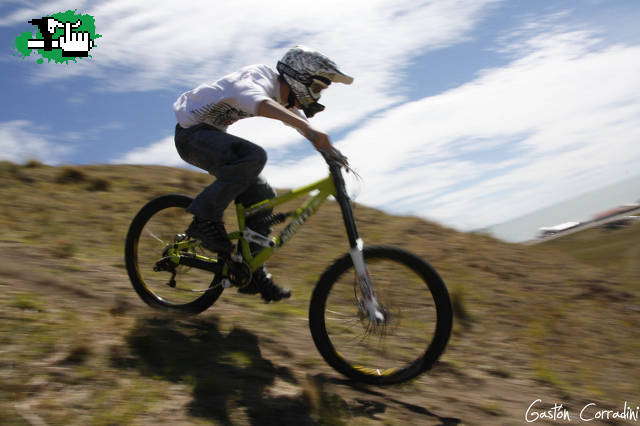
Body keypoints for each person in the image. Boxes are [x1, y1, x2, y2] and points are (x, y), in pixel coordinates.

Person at [173, 46, 353, 302]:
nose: (317, 95)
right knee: (254, 156)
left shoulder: (282, 97)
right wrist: (308, 130)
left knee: (263, 198)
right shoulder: (258, 78)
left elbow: (304, 125)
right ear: (298, 77)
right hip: (191, 136)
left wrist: (330, 151)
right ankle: (203, 219)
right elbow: (258, 102)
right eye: (316, 88)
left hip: (211, 138)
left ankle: (253, 270)